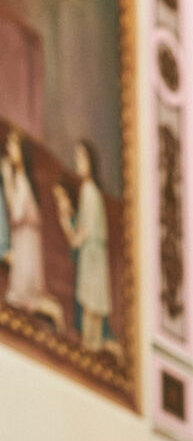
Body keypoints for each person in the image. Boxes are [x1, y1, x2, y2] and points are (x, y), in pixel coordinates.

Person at [0, 130, 64, 331]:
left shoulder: (23, 180)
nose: (10, 150)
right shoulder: (19, 178)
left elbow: (17, 215)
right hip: (24, 243)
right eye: (9, 146)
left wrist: (7, 177)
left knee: (24, 297)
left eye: (14, 146)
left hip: (26, 247)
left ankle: (58, 319)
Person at [53, 138, 112, 351]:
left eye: (81, 157)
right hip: (92, 256)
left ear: (89, 161)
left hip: (93, 257)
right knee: (91, 305)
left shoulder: (89, 191)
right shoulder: (89, 191)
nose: (77, 162)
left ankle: (90, 347)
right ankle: (91, 346)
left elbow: (82, 235)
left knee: (91, 305)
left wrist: (69, 227)